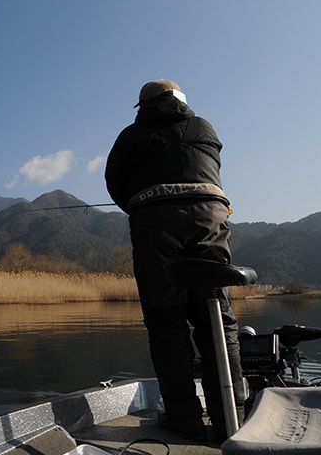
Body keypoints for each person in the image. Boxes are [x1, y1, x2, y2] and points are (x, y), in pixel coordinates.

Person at [104, 79, 244, 443]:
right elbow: (210, 167)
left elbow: (115, 185)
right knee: (217, 319)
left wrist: (146, 209)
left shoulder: (131, 136)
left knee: (167, 323)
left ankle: (185, 419)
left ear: (142, 106)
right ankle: (234, 415)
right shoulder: (204, 126)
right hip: (210, 221)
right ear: (181, 100)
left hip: (155, 228)